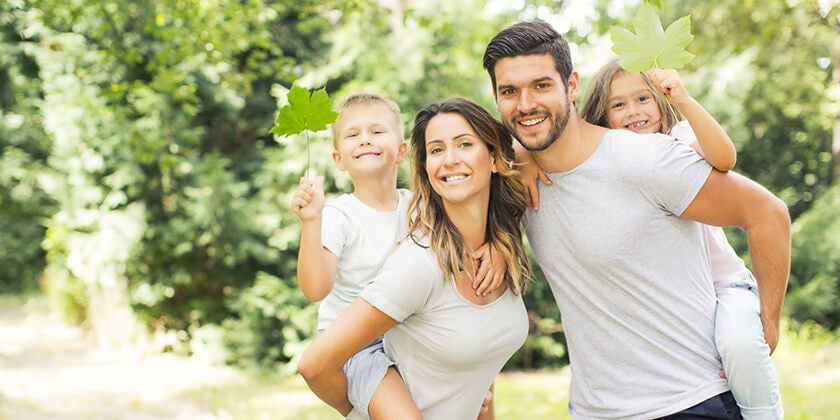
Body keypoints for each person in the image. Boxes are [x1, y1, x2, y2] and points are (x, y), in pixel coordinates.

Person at [483, 21, 791, 419]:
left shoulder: (643, 159)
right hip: (594, 411)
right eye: (510, 91)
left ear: (571, 86)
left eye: (541, 86)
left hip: (690, 403)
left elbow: (767, 213)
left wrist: (768, 321)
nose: (525, 104)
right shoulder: (516, 182)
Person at [297, 97, 531, 419]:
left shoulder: (416, 211)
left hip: (390, 338)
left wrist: (496, 243)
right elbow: (315, 295)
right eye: (436, 150)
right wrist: (358, 411)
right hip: (356, 346)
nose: (450, 160)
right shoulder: (350, 221)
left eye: (464, 144)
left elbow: (526, 159)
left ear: (402, 152)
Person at [578, 60, 783, 418]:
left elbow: (724, 157)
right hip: (676, 300)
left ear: (661, 100)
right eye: (619, 105)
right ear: (602, 115)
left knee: (740, 347)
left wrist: (684, 99)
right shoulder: (606, 164)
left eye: (643, 98)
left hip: (723, 287)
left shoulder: (677, 139)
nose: (634, 112)